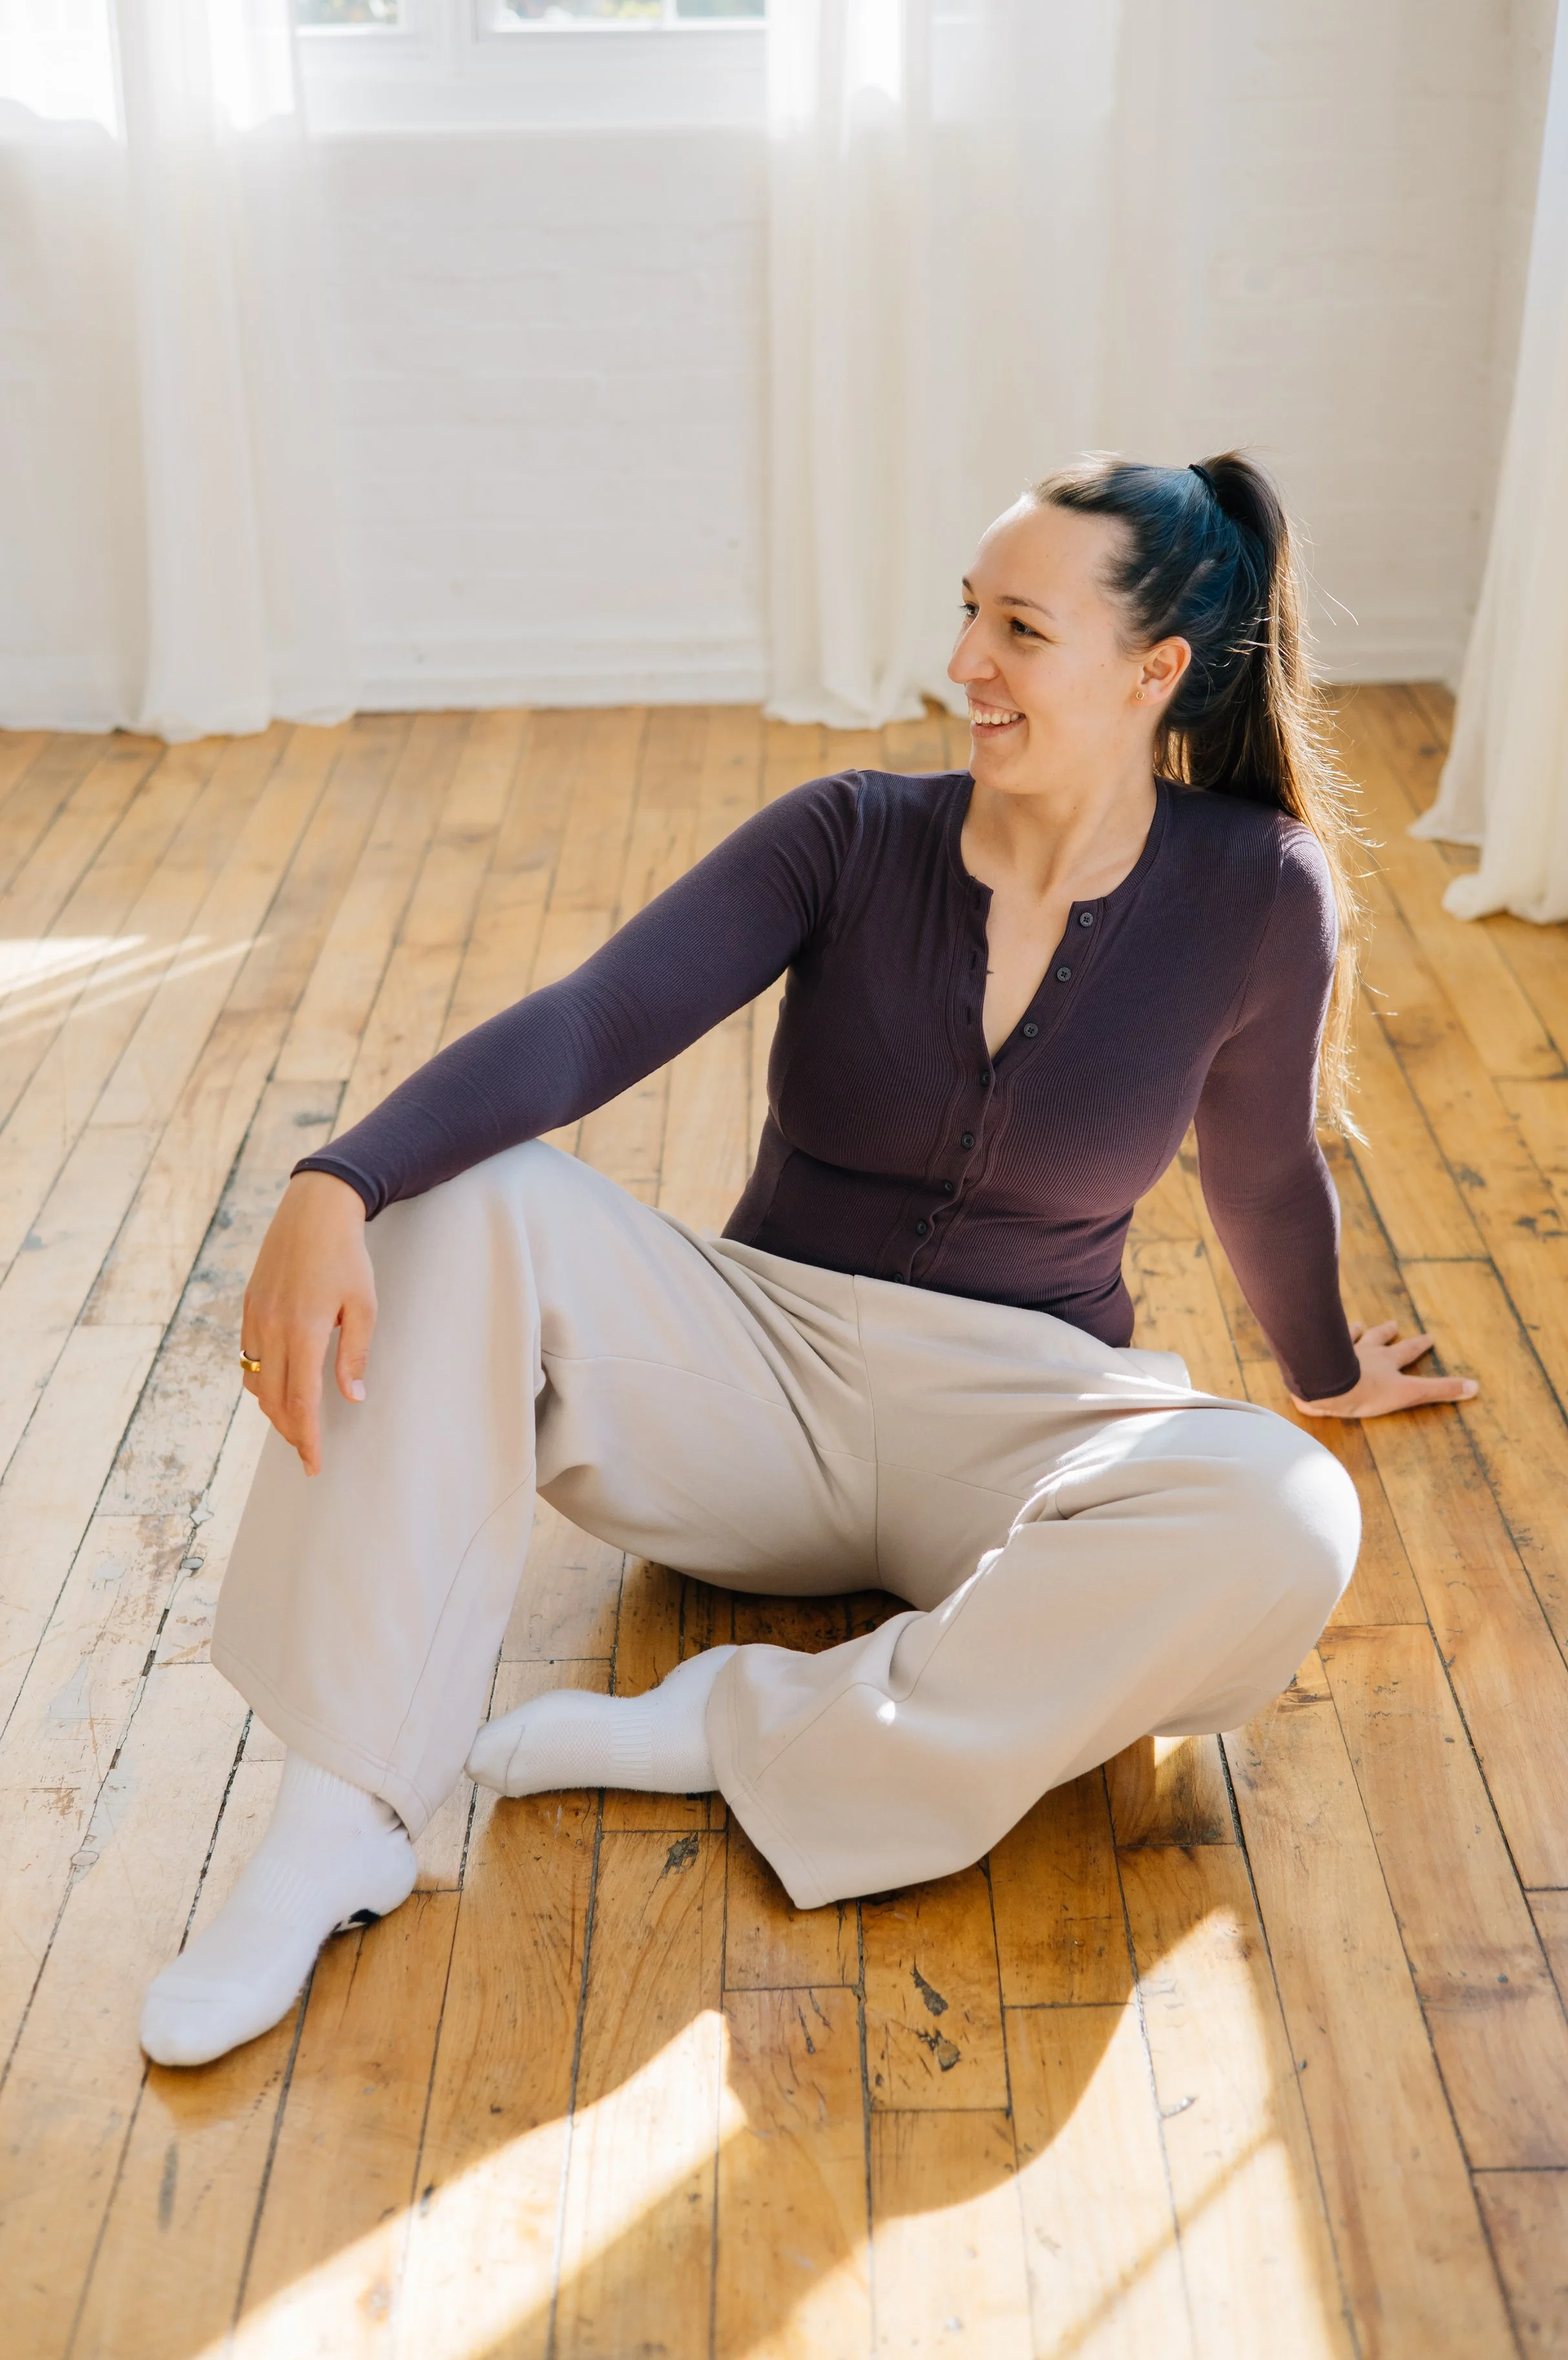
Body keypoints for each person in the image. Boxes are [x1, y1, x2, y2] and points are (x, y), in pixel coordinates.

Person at [139, 452, 1476, 2068]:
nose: (964, 664)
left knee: (1284, 1510)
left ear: (1153, 671)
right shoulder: (848, 836)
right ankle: (336, 1821)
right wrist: (336, 1178)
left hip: (1025, 1410)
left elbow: (1262, 1168)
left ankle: (745, 1728)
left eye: (1018, 630)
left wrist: (1326, 1378)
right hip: (750, 1380)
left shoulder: (1259, 892)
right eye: (966, 615)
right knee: (457, 1203)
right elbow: (592, 1023)